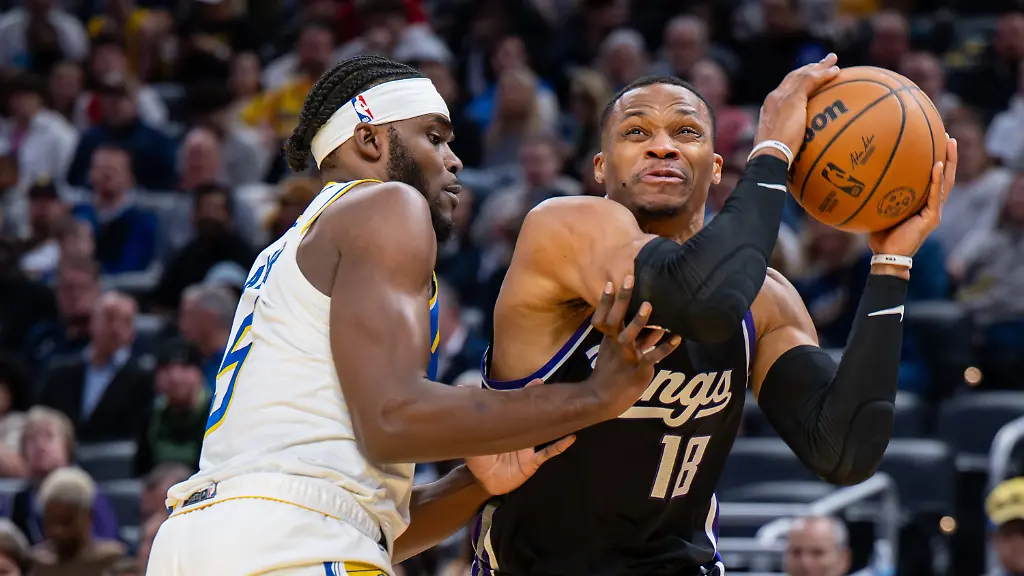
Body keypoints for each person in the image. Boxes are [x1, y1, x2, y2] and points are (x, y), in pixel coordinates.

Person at [146, 52, 796, 575]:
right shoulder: (385, 208)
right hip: (289, 542)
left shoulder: (290, 250)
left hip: (200, 539)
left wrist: (472, 480)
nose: (455, 160)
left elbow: (377, 530)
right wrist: (595, 399)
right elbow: (393, 421)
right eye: (434, 137)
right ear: (370, 142)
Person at [467, 57, 959, 575]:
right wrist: (771, 151)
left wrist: (891, 260)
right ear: (599, 167)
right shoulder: (563, 228)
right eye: (636, 131)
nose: (662, 145)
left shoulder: (766, 299)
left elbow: (845, 450)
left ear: (717, 167)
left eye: (686, 131)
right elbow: (700, 302)